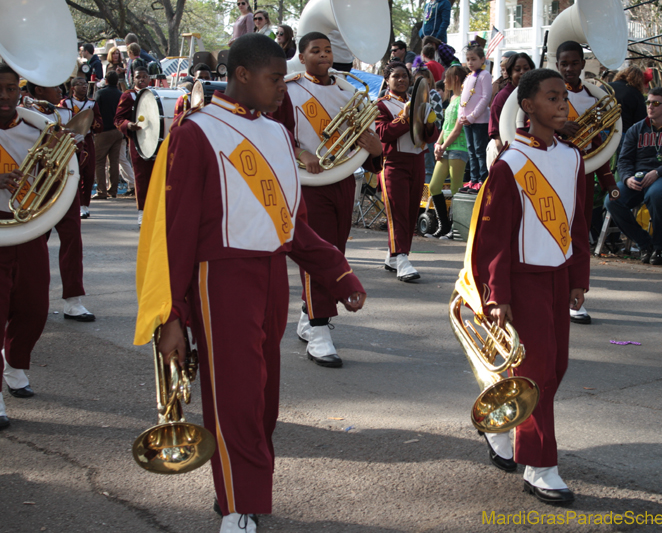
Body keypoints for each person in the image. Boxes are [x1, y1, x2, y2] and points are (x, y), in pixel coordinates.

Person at [136, 33, 366, 532]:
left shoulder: (279, 135)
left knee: (262, 399)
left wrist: (336, 272)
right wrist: (171, 316)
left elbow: (292, 225)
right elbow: (173, 235)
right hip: (219, 277)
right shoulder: (195, 133)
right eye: (274, 78)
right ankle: (239, 506)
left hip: (270, 277)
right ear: (242, 74)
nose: (283, 88)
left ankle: (240, 490)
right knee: (235, 397)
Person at [465, 68, 589, 505]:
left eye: (564, 98)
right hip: (522, 280)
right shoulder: (510, 164)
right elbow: (492, 240)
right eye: (552, 97)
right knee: (535, 373)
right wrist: (497, 295)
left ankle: (501, 427)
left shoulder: (574, 158)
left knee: (555, 369)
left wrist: (578, 278)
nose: (562, 104)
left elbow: (579, 224)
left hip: (558, 278)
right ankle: (540, 465)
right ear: (528, 106)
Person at [269, 32, 382, 368]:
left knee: (336, 251)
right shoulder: (289, 90)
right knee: (322, 253)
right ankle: (319, 331)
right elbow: (276, 132)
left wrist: (375, 149)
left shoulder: (348, 90)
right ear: (300, 58)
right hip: (309, 183)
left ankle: (308, 314)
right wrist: (302, 152)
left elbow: (364, 140)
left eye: (328, 50)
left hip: (343, 179)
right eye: (315, 50)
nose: (323, 55)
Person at [0, 63, 52, 428]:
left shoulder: (37, 128)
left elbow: (57, 175)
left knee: (35, 307)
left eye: (9, 88)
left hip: (28, 227)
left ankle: (14, 364)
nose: (3, 96)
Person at [554, 40, 617, 324]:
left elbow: (598, 145)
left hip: (583, 173)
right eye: (564, 64)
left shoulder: (594, 99)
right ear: (557, 65)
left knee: (579, 234)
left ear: (582, 64)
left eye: (574, 63)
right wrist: (558, 126)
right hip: (552, 171)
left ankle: (576, 297)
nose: (569, 68)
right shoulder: (549, 93)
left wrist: (608, 181)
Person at [26, 81, 97, 323]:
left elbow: (80, 150)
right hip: (34, 187)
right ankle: (26, 299)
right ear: (38, 91)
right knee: (32, 246)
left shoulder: (64, 113)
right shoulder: (24, 114)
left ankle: (73, 301)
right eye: (54, 87)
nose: (61, 91)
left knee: (73, 240)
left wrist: (75, 145)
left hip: (64, 184)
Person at [604, 87, 662, 265]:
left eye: (656, 103)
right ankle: (644, 243)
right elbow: (624, 160)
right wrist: (627, 178)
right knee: (612, 198)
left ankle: (660, 246)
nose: (650, 106)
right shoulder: (636, 129)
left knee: (656, 194)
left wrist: (659, 172)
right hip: (638, 177)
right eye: (648, 102)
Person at [376, 61, 439, 281]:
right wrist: (406, 117)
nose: (401, 80)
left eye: (405, 76)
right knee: (397, 212)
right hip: (393, 163)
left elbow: (431, 137)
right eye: (396, 76)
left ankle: (392, 256)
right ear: (387, 79)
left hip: (417, 161)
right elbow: (383, 133)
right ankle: (402, 258)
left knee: (412, 211)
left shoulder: (418, 102)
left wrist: (430, 122)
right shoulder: (381, 105)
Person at [429, 65, 469, 239]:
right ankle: (444, 225)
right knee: (434, 186)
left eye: (447, 78)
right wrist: (438, 144)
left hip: (458, 148)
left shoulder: (465, 99)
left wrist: (442, 146)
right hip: (445, 147)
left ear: (456, 79)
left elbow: (457, 129)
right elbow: (446, 126)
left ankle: (454, 228)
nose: (444, 81)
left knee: (455, 188)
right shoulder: (452, 98)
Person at [114, 66, 155, 226]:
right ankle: (142, 212)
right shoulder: (128, 95)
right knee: (141, 176)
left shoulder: (155, 93)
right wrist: (129, 125)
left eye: (145, 77)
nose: (142, 79)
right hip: (139, 141)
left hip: (157, 141)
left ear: (149, 79)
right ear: (133, 79)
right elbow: (118, 119)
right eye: (139, 77)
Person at [60, 77, 103, 216]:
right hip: (70, 140)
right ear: (73, 88)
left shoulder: (91, 103)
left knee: (89, 173)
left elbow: (99, 124)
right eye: (80, 84)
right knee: (74, 172)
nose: (84, 87)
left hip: (87, 139)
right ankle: (74, 204)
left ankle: (85, 204)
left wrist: (89, 122)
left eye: (85, 84)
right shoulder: (65, 103)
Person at [458, 43, 492, 194]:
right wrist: (461, 116)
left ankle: (482, 180)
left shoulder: (485, 75)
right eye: (468, 59)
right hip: (467, 121)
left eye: (473, 59)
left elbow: (485, 98)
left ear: (482, 59)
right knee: (471, 151)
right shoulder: (468, 77)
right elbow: (462, 99)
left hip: (479, 121)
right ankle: (473, 179)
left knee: (480, 151)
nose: (470, 62)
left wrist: (472, 116)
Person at [489, 52, 534, 153]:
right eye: (517, 70)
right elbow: (497, 135)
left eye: (526, 68)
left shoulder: (538, 94)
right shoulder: (502, 97)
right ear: (510, 73)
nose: (522, 72)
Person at [93, 71, 125, 199]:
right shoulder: (120, 94)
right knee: (114, 161)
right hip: (117, 131)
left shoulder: (100, 93)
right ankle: (113, 190)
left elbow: (94, 110)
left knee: (99, 161)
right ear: (117, 81)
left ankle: (102, 191)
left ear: (105, 80)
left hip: (103, 131)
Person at [414, 65, 444, 184]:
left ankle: (427, 195)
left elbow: (439, 116)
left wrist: (426, 116)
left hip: (430, 135)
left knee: (429, 166)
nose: (420, 82)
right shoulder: (414, 95)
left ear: (429, 80)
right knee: (421, 166)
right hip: (418, 135)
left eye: (423, 79)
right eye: (417, 79)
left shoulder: (433, 94)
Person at [608, 66, 648, 135]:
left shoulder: (606, 86)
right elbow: (641, 120)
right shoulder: (636, 94)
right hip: (621, 133)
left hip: (598, 132)